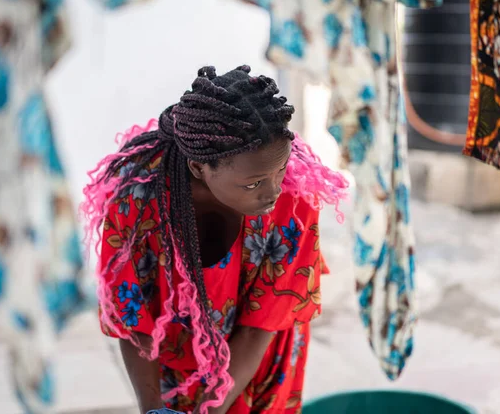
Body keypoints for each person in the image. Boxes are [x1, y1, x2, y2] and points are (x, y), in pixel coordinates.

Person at [81, 65, 348, 414]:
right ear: (198, 168)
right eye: (252, 184)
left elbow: (260, 327)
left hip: (259, 363)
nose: (273, 191)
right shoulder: (137, 200)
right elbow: (133, 319)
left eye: (280, 169)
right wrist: (151, 408)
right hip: (171, 363)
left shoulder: (293, 202)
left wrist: (212, 409)